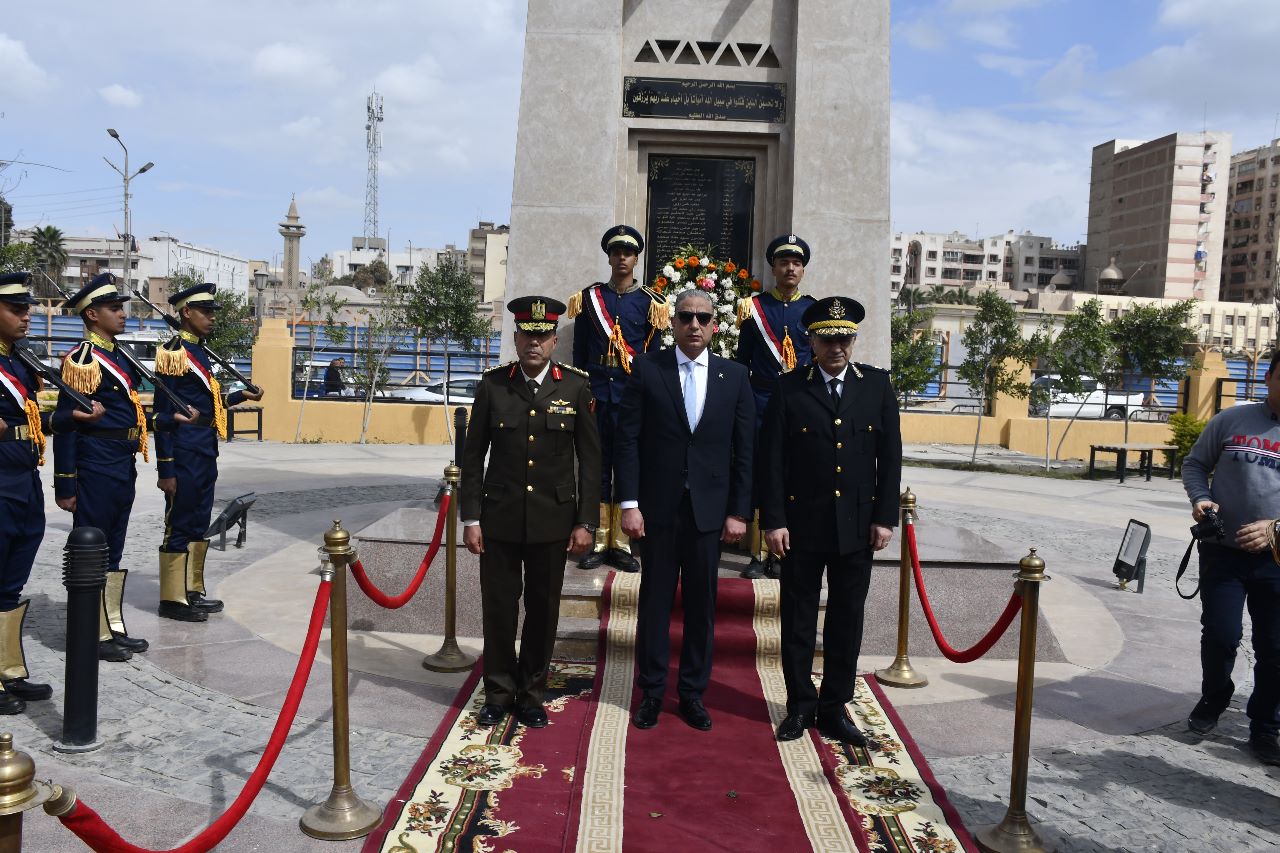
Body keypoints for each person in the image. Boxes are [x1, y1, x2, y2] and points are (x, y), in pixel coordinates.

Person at [759, 296, 902, 745]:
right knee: (798, 619)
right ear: (812, 341)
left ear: (853, 341)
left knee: (846, 619)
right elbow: (772, 460)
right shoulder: (789, 388)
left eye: (844, 339)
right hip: (801, 525)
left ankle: (835, 707)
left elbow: (890, 457)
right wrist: (774, 520)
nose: (836, 347)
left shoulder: (876, 386)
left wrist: (885, 518)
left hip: (857, 527)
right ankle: (800, 705)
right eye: (827, 339)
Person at [617, 288, 754, 731]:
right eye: (686, 316)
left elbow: (744, 451)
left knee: (701, 606)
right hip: (657, 510)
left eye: (703, 318)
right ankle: (653, 691)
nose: (695, 324)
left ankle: (693, 693)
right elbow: (628, 439)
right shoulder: (647, 368)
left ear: (715, 325)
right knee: (655, 603)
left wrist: (738, 512)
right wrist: (629, 503)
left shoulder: (735, 376)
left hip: (708, 512)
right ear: (672, 323)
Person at [461, 296, 601, 729]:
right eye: (527, 335)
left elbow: (590, 460)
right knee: (499, 609)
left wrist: (586, 521)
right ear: (516, 338)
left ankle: (532, 693)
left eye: (542, 336)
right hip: (499, 519)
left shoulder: (575, 387)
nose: (534, 343)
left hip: (552, 521)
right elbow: (472, 457)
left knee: (543, 610)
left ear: (554, 340)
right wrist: (471, 518)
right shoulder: (493, 386)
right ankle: (499, 692)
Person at [0, 272, 102, 711]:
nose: (25, 316)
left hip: (23, 479)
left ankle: (8, 670)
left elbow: (36, 421)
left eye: (26, 309)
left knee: (10, 582)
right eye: (15, 309)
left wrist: (72, 418)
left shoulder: (19, 362)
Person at [1182, 348, 1280, 766]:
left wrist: (1275, 528)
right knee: (1221, 635)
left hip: (1276, 561)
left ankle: (1265, 725)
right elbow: (1194, 464)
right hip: (1222, 553)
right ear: (1268, 378)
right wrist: (1201, 499)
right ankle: (1216, 695)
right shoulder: (1231, 420)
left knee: (1275, 647)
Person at [55, 272, 153, 662]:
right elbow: (67, 424)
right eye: (114, 308)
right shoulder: (83, 360)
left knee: (113, 548)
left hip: (120, 461)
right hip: (95, 461)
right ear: (92, 314)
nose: (122, 314)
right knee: (93, 548)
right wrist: (66, 483)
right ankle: (89, 632)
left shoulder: (115, 355)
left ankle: (110, 626)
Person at [152, 283, 264, 622]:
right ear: (186, 312)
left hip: (204, 448)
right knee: (180, 523)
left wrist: (241, 397)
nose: (212, 317)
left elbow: (209, 405)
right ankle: (172, 599)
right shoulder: (174, 354)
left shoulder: (200, 352)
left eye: (213, 311)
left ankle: (192, 590)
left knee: (199, 521)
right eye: (206, 311)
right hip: (183, 450)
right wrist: (166, 469)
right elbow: (162, 415)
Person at [567, 225, 669, 573]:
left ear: (636, 258)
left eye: (628, 253)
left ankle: (622, 541)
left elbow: (652, 357)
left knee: (629, 465)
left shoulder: (651, 303)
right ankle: (598, 538)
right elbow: (579, 352)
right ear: (609, 257)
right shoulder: (590, 299)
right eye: (616, 252)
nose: (622, 258)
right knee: (596, 466)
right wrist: (582, 392)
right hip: (596, 394)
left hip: (630, 397)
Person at [734, 234, 817, 580]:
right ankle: (758, 551)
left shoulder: (813, 310)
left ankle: (784, 550)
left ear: (803, 269)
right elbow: (742, 361)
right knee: (760, 471)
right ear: (774, 267)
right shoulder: (754, 308)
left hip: (799, 403)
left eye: (796, 263)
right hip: (762, 400)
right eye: (784, 263)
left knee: (793, 473)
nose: (790, 268)